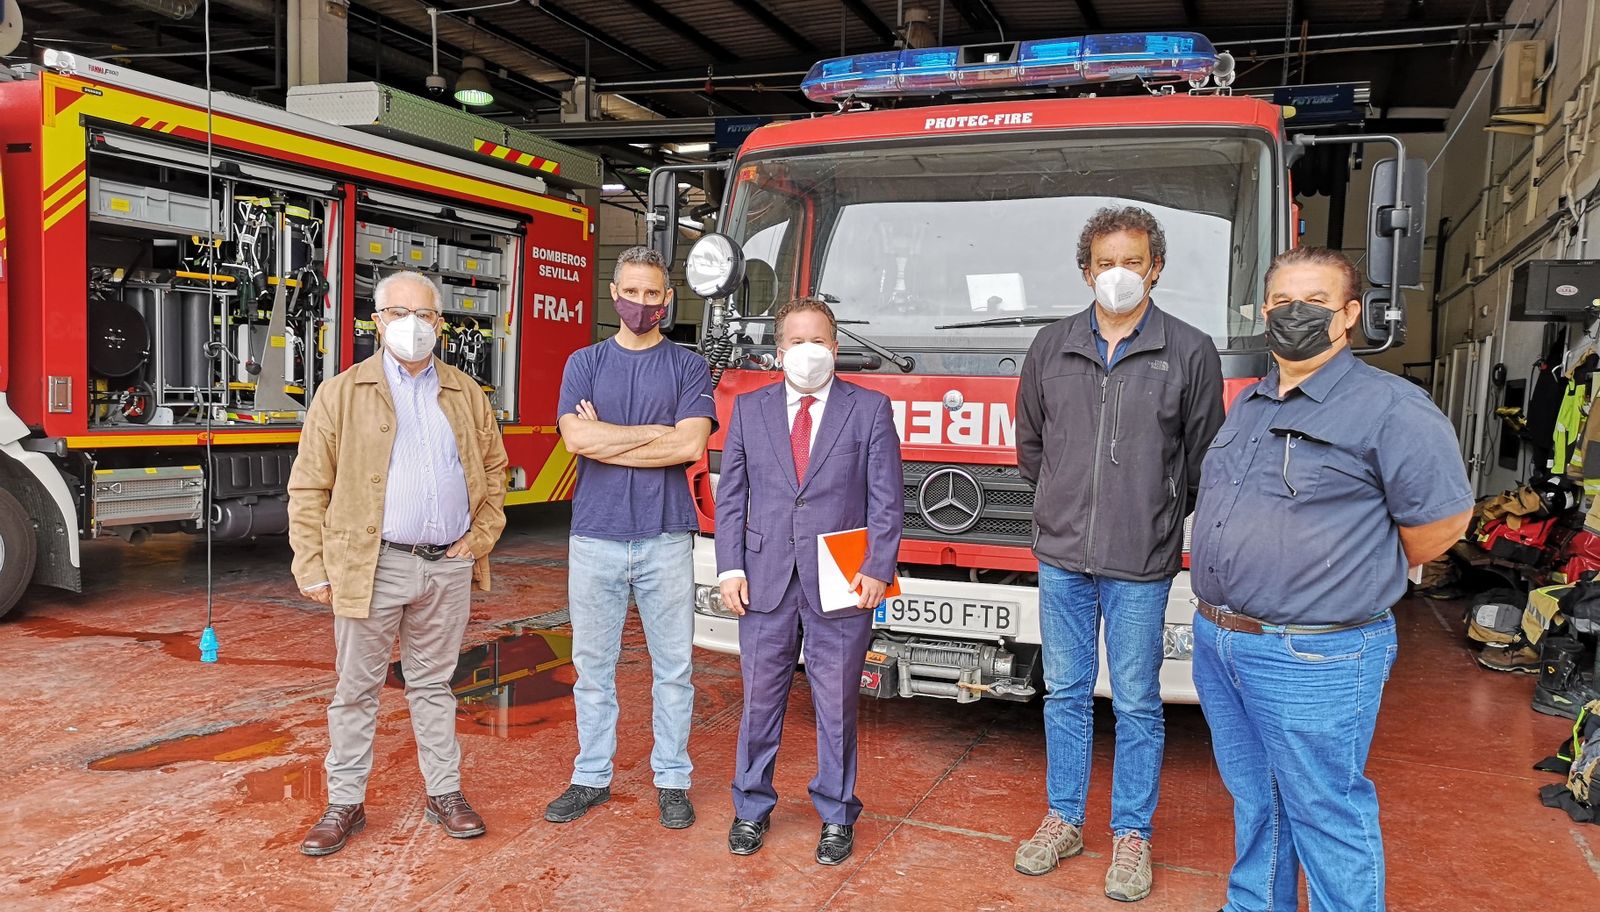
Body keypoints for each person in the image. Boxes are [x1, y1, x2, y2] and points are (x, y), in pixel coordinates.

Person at [1190, 247, 1471, 912]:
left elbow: (1442, 521)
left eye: (1316, 302)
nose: (1297, 314)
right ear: (1264, 311)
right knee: (1258, 799)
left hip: (1314, 652)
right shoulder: (1251, 403)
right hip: (1224, 642)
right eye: (1284, 301)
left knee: (1325, 810)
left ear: (1349, 315)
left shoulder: (1390, 407)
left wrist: (1354, 570)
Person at [1014, 205, 1224, 901]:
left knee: (1136, 700)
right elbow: (1031, 446)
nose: (1119, 275)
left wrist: (1155, 514)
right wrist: (1063, 504)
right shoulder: (1052, 346)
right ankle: (1064, 819)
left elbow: (1200, 461)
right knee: (1064, 693)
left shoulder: (1190, 352)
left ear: (1156, 268)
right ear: (1085, 271)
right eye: (1106, 263)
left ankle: (1132, 834)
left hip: (1142, 561)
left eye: (1133, 261)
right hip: (1062, 556)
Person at [288, 270, 508, 856]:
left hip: (447, 566)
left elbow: (494, 473)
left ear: (440, 322)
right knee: (355, 689)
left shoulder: (465, 393)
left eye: (424, 314)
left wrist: (479, 538)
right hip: (374, 564)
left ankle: (444, 792)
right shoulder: (341, 392)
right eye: (398, 313)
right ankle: (344, 803)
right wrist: (311, 563)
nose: (412, 324)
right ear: (377, 320)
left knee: (433, 685)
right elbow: (309, 486)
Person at [715, 296, 902, 865]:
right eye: (796, 341)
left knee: (837, 703)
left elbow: (887, 499)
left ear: (836, 348)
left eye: (818, 340)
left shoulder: (868, 409)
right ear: (778, 350)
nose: (808, 351)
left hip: (843, 580)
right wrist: (730, 567)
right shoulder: (749, 409)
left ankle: (837, 814)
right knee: (760, 701)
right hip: (765, 579)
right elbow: (731, 497)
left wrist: (877, 567)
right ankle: (750, 806)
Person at [545, 246, 715, 830]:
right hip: (595, 537)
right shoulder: (583, 363)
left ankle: (672, 778)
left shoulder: (689, 367)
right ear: (614, 295)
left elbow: (689, 446)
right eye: (633, 292)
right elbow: (575, 442)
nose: (642, 303)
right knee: (594, 668)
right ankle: (591, 776)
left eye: (654, 294)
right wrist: (653, 435)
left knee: (674, 669)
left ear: (668, 300)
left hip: (667, 536)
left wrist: (607, 435)